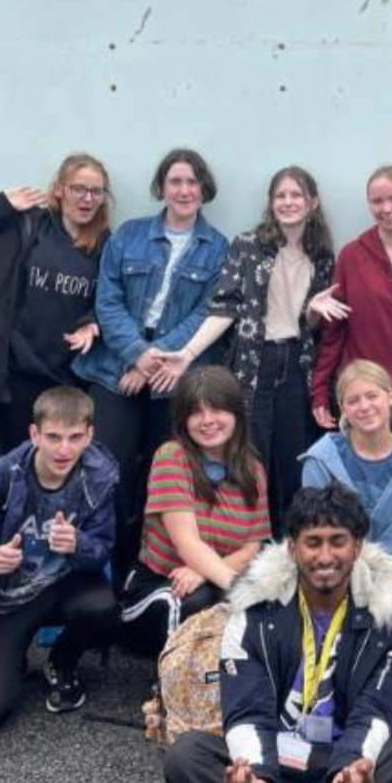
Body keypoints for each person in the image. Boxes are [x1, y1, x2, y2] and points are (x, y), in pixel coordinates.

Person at [162, 482, 392, 783]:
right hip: (276, 771)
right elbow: (246, 710)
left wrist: (351, 768)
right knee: (187, 756)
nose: (325, 556)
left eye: (337, 541)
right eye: (313, 542)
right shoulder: (253, 612)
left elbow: (378, 710)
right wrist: (255, 778)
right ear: (293, 548)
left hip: (344, 776)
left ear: (357, 546)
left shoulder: (391, 620)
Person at [74, 148, 228, 585]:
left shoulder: (218, 248)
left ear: (204, 189)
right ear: (162, 187)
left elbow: (204, 313)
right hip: (115, 369)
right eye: (175, 181)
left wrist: (152, 361)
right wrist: (136, 355)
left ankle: (149, 572)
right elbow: (108, 300)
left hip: (174, 378)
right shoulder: (128, 235)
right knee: (108, 470)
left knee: (165, 476)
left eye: (192, 182)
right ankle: (108, 570)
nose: (184, 190)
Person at [153, 166, 335, 531]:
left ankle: (292, 543)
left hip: (298, 366)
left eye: (296, 195)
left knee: (293, 460)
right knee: (252, 458)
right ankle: (252, 543)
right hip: (255, 364)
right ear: (271, 203)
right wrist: (187, 354)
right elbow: (225, 307)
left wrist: (314, 314)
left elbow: (309, 325)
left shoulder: (322, 256)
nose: (288, 202)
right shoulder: (249, 245)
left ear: (312, 202)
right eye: (280, 195)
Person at [0, 386, 117, 729]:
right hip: (4, 599)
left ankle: (61, 661)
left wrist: (79, 544)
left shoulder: (100, 475)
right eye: (54, 437)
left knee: (103, 604)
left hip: (60, 588)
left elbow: (104, 548)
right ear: (34, 434)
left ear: (90, 435)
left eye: (75, 437)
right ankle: (10, 657)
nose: (64, 449)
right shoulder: (0, 475)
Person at [0, 153, 113, 453]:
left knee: (60, 463)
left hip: (70, 379)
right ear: (59, 189)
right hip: (17, 378)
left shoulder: (107, 244)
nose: (87, 199)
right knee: (20, 462)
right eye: (78, 188)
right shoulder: (28, 227)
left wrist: (92, 322)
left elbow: (117, 298)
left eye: (96, 191)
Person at [118, 366, 269, 666]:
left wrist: (205, 572)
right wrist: (239, 591)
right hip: (157, 588)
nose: (208, 421)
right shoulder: (172, 457)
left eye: (217, 410)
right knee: (194, 601)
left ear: (237, 414)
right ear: (183, 421)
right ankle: (170, 692)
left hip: (208, 580)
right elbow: (187, 543)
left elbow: (253, 547)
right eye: (196, 412)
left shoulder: (252, 469)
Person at [309, 165, 392, 440]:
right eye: (377, 201)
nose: (386, 208)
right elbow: (334, 334)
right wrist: (320, 392)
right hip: (363, 404)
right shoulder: (352, 256)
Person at [299, 360, 392, 570]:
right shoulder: (319, 461)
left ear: (389, 397)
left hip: (391, 576)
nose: (364, 407)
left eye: (372, 396)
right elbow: (319, 536)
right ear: (343, 409)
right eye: (353, 401)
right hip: (330, 575)